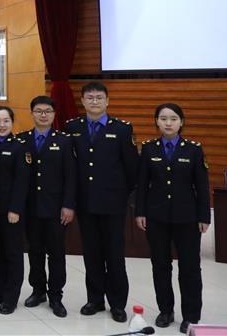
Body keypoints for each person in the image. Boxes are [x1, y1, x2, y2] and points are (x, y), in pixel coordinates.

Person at [65, 81, 138, 323]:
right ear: (83, 101)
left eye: (99, 97)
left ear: (107, 101)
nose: (94, 101)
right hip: (86, 203)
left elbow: (131, 168)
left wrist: (124, 196)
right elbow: (71, 167)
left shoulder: (122, 129)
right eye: (90, 97)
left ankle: (117, 303)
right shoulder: (73, 127)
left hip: (113, 203)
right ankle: (95, 299)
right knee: (92, 253)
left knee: (114, 254)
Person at [135, 103, 210, 334]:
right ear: (156, 121)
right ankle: (165, 311)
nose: (168, 123)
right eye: (163, 118)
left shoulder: (193, 149)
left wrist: (204, 216)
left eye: (173, 118)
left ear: (181, 122)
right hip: (156, 217)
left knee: (190, 268)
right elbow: (142, 184)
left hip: (187, 218)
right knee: (160, 265)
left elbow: (202, 186)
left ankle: (191, 315)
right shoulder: (149, 148)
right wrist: (140, 212)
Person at [20, 95, 75, 319]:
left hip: (55, 207)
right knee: (34, 250)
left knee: (56, 252)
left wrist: (68, 205)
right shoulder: (22, 139)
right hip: (30, 207)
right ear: (31, 113)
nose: (43, 115)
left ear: (54, 115)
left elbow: (71, 176)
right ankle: (38, 290)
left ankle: (56, 295)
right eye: (39, 111)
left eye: (48, 111)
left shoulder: (64, 141)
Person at [0, 106, 29, 315]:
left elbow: (22, 181)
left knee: (12, 254)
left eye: (6, 121)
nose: (1, 125)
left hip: (11, 211)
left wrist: (15, 209)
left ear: (12, 122)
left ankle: (11, 298)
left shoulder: (20, 147)